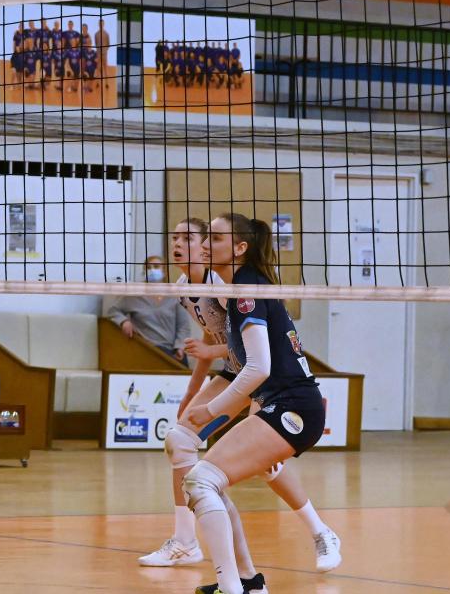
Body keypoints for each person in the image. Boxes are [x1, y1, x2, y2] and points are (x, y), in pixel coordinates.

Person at [139, 219, 341, 575]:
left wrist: (214, 391)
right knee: (180, 439)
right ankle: (186, 542)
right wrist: (192, 394)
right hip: (238, 370)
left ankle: (320, 531)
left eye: (190, 237)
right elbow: (213, 341)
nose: (180, 244)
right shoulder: (185, 288)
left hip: (259, 376)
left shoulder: (228, 284)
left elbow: (249, 348)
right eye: (175, 237)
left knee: (263, 463)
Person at [103, 255, 197, 365]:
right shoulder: (135, 294)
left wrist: (180, 347)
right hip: (145, 349)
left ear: (164, 272)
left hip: (170, 351)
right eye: (148, 267)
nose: (152, 270)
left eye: (156, 267)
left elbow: (183, 327)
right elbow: (113, 310)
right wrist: (124, 321)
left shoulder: (175, 296)